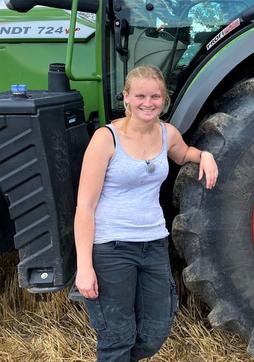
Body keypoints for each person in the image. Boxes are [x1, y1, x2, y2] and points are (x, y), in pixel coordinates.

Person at [74, 65, 218, 361]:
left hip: (153, 244)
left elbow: (184, 154)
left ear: (164, 99)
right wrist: (84, 267)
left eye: (155, 96)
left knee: (155, 331)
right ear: (126, 97)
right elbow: (84, 208)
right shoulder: (106, 139)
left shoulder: (167, 133)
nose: (147, 103)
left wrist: (205, 155)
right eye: (140, 96)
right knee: (117, 337)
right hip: (111, 248)